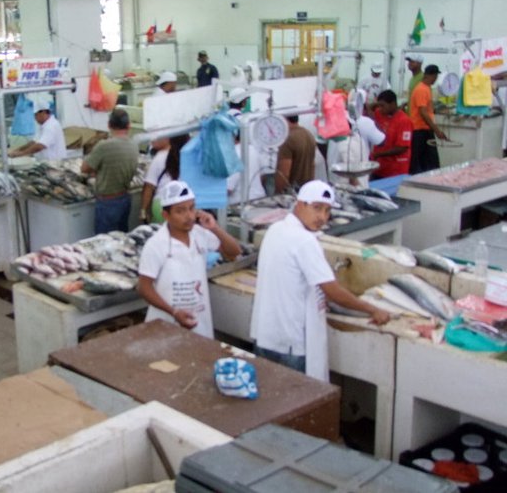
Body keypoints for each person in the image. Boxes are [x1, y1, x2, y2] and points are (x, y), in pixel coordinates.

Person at [250, 180, 391, 380]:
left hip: (266, 335)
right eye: (317, 208)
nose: (322, 217)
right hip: (291, 343)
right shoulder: (304, 241)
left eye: (327, 211)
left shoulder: (275, 230)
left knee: (270, 393)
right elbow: (332, 291)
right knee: (299, 396)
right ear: (300, 204)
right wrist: (373, 310)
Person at [137, 181, 241, 339]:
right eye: (180, 211)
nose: (189, 216)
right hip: (166, 323)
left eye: (192, 208)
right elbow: (144, 288)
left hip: (200, 321)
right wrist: (174, 312)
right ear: (166, 215)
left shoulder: (200, 234)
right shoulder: (156, 245)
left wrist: (214, 228)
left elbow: (234, 252)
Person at [81, 108, 139, 233]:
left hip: (107, 202)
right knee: (122, 238)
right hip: (125, 198)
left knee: (104, 240)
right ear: (128, 126)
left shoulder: (104, 145)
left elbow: (84, 168)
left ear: (109, 125)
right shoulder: (134, 145)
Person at [140, 134, 190, 223]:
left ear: (169, 139)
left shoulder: (160, 157)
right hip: (183, 203)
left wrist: (143, 209)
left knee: (161, 230)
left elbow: (149, 186)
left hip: (162, 203)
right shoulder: (188, 157)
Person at [225, 88, 264, 203]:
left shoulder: (222, 118)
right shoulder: (246, 120)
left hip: (240, 199)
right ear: (243, 102)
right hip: (257, 197)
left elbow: (227, 188)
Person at [409, 64, 448, 174]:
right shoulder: (421, 89)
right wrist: (437, 130)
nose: (435, 79)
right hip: (419, 130)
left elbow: (427, 110)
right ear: (432, 76)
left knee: (431, 163)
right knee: (421, 163)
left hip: (426, 129)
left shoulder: (427, 88)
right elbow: (423, 112)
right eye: (435, 76)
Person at [329, 116, 385, 188]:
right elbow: (352, 175)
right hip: (350, 187)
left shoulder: (334, 138)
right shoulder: (347, 143)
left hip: (337, 182)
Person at [371, 90, 413, 179]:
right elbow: (368, 109)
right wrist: (375, 104)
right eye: (379, 106)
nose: (380, 108)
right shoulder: (379, 113)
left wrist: (378, 154)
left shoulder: (404, 121)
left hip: (396, 171)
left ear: (393, 104)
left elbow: (402, 148)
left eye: (383, 106)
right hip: (379, 168)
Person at [275, 116, 316, 194]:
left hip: (293, 192)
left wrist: (278, 193)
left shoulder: (287, 139)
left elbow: (284, 174)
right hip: (308, 189)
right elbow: (312, 164)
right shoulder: (308, 134)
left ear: (284, 119)